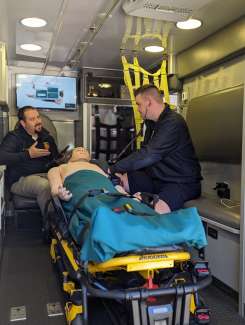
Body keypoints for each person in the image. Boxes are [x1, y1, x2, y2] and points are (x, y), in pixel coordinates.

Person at [109, 84, 202, 214]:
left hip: (180, 183)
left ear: (149, 102)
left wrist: (112, 168)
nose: (138, 109)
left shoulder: (173, 123)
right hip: (158, 178)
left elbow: (149, 155)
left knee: (151, 212)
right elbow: (143, 154)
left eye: (139, 104)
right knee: (122, 178)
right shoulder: (152, 124)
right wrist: (116, 171)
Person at [0, 106, 58, 216]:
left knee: (66, 183)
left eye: (38, 117)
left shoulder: (47, 137)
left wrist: (63, 160)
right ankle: (54, 225)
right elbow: (1, 157)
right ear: (23, 123)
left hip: (46, 174)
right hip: (21, 179)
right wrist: (28, 154)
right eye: (32, 119)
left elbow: (54, 160)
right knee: (45, 186)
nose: (38, 121)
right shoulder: (14, 137)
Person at [48, 147, 126, 201]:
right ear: (69, 157)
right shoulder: (59, 168)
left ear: (89, 158)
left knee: (132, 206)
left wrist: (127, 196)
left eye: (85, 151)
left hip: (109, 194)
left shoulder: (99, 167)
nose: (82, 150)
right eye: (78, 150)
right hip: (83, 196)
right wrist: (61, 195)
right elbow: (55, 189)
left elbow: (114, 186)